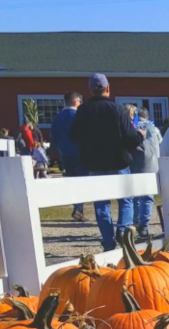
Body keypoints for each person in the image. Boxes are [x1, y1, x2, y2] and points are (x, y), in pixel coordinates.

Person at [69, 73, 142, 251]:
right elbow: (131, 138)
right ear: (107, 88)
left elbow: (73, 136)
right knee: (125, 200)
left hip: (94, 164)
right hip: (118, 162)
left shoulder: (83, 111)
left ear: (90, 90)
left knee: (101, 203)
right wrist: (140, 136)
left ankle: (108, 242)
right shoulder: (116, 109)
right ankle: (123, 231)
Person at [50, 91, 87, 221]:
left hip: (65, 154)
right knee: (82, 181)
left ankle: (78, 207)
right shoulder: (78, 116)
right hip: (79, 153)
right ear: (76, 101)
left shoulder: (57, 117)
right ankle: (78, 209)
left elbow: (54, 137)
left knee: (72, 181)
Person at [126, 105, 161, 239]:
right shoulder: (154, 128)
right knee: (147, 198)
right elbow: (161, 143)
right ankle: (144, 226)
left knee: (135, 196)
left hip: (135, 165)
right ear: (147, 116)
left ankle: (134, 222)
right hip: (152, 165)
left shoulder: (131, 127)